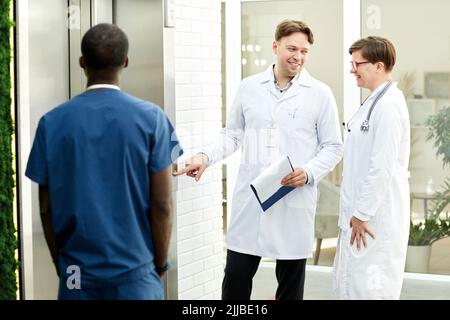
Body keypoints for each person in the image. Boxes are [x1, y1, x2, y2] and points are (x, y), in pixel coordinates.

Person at [174, 19, 343, 300]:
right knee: (236, 278)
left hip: (293, 199)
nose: (298, 57)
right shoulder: (249, 87)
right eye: (292, 48)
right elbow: (232, 135)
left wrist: (309, 172)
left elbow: (333, 147)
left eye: (304, 51)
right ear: (275, 46)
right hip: (251, 201)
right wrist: (205, 157)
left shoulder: (320, 94)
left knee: (290, 285)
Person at [25, 23, 183, 300]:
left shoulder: (50, 123)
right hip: (137, 275)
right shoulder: (153, 119)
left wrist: (64, 268)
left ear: (82, 62)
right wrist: (157, 265)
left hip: (76, 277)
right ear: (126, 62)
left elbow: (46, 209)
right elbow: (162, 205)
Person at [333, 36, 410, 299]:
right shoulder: (373, 103)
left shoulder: (388, 106)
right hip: (361, 215)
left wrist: (362, 213)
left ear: (378, 66)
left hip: (373, 218)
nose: (352, 70)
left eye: (357, 64)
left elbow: (382, 167)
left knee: (371, 289)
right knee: (354, 285)